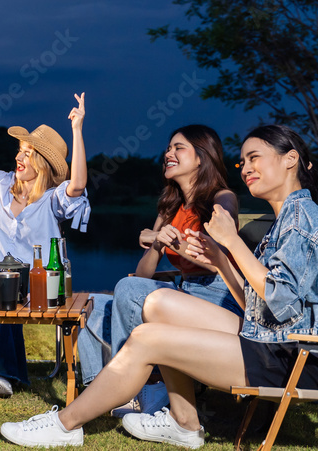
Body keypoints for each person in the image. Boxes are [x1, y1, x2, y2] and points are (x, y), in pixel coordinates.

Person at [0, 124, 318, 448]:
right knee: (156, 303)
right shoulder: (287, 217)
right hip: (277, 339)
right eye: (243, 162)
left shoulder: (301, 222)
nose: (246, 169)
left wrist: (233, 243)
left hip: (299, 357)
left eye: (255, 158)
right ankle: (184, 422)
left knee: (147, 337)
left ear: (290, 160)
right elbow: (259, 303)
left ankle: (67, 425)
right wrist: (221, 261)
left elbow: (280, 305)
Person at [77, 125, 243, 415]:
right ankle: (100, 389)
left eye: (179, 148)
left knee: (127, 290)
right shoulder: (169, 207)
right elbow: (142, 276)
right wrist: (155, 245)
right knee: (94, 304)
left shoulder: (221, 199)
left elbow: (220, 259)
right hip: (185, 293)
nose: (169, 153)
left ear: (202, 157)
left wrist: (175, 244)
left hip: (219, 298)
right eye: (168, 148)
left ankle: (135, 386)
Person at [0, 81, 90, 398]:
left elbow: (77, 184)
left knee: (8, 300)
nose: (19, 158)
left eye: (28, 155)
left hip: (34, 287)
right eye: (20, 152)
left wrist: (77, 130)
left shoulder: (53, 199)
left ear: (43, 165)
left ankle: (0, 373)